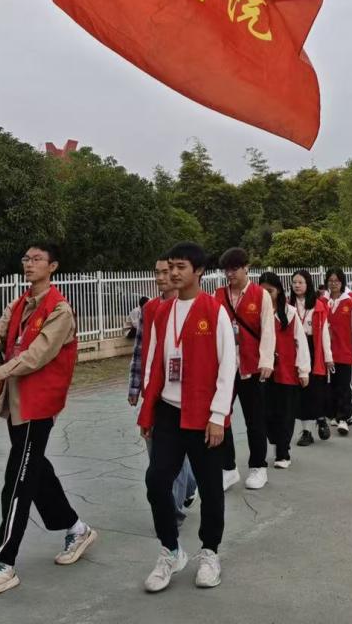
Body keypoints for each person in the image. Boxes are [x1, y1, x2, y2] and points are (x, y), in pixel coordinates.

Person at [0, 242, 96, 595]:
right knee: (35, 469)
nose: (29, 264)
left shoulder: (61, 310)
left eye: (37, 259)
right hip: (16, 403)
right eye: (26, 258)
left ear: (53, 266)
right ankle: (77, 528)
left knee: (18, 483)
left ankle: (5, 562)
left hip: (39, 405)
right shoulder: (19, 303)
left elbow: (37, 355)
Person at [139, 242, 236, 593]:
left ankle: (209, 552)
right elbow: (153, 363)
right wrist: (147, 411)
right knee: (156, 482)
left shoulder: (214, 310)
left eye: (181, 267)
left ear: (199, 271)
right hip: (168, 411)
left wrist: (218, 415)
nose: (174, 273)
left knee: (210, 488)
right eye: (171, 266)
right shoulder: (161, 311)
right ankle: (171, 550)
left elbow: (228, 366)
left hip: (204, 414)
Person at [129, 258, 196, 525]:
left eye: (166, 272)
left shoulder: (190, 307)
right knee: (158, 452)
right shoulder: (149, 309)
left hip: (182, 394)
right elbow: (139, 348)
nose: (160, 277)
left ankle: (173, 509)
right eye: (157, 272)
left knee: (171, 453)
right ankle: (188, 486)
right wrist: (135, 386)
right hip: (153, 392)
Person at [214, 247, 275, 491]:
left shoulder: (261, 295)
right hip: (225, 368)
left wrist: (266, 360)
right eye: (226, 270)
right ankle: (228, 468)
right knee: (221, 417)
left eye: (234, 269)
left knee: (255, 420)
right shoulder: (218, 295)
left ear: (246, 267)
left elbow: (268, 329)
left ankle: (259, 467)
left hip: (252, 366)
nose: (230, 274)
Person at [257, 271, 309, 469]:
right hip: (263, 371)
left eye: (270, 291)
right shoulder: (256, 313)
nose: (266, 295)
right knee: (266, 414)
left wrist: (303, 370)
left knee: (286, 414)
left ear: (278, 291)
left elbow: (301, 343)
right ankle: (277, 442)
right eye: (262, 291)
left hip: (286, 372)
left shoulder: (290, 313)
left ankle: (283, 452)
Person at [290, 269, 333, 446]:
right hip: (296, 349)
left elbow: (324, 333)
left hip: (314, 349)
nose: (297, 285)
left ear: (308, 284)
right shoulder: (288, 305)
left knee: (316, 389)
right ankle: (306, 431)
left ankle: (321, 418)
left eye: (300, 282)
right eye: (294, 282)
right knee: (301, 391)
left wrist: (328, 356)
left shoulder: (318, 305)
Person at [324, 267, 352, 435]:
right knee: (331, 386)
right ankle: (335, 413)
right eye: (330, 280)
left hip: (345, 351)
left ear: (342, 282)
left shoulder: (350, 302)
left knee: (345, 386)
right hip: (328, 353)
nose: (333, 284)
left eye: (336, 281)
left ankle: (345, 418)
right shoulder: (323, 302)